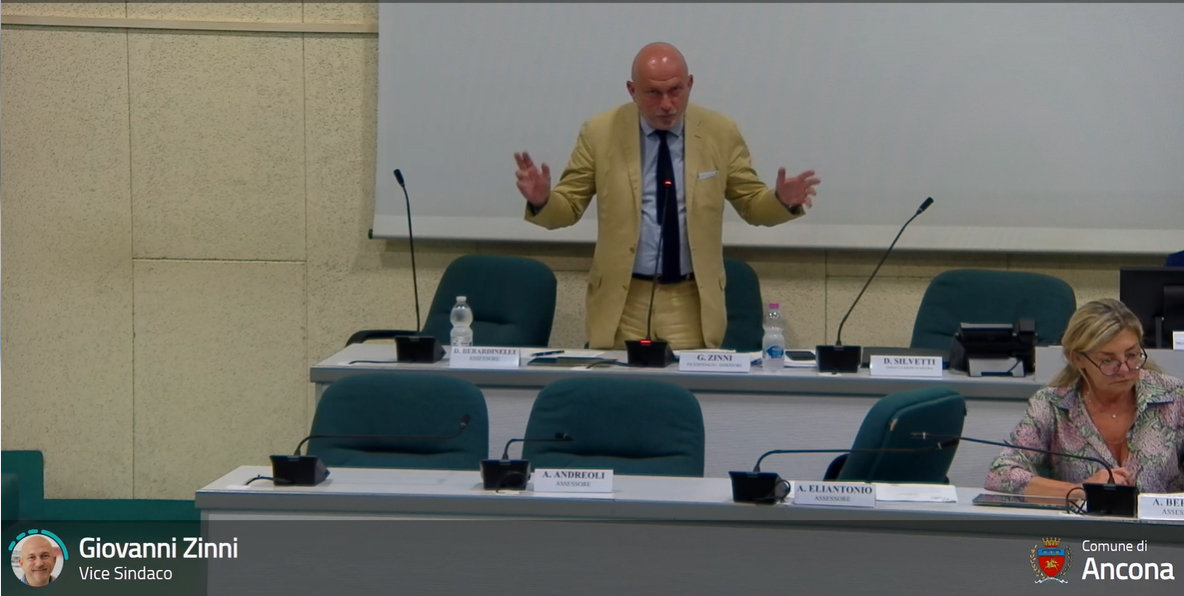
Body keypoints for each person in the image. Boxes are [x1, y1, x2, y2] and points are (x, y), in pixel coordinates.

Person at [514, 42, 819, 350]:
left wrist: (782, 201)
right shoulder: (600, 132)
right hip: (623, 300)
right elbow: (568, 207)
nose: (667, 104)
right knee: (618, 380)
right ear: (632, 90)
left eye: (676, 90)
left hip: (690, 301)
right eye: (653, 93)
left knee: (688, 378)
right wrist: (542, 200)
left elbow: (752, 204)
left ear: (690, 84)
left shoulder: (719, 131)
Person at [984, 298, 1184, 496]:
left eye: (1132, 355)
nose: (1124, 370)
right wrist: (1078, 490)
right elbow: (1000, 474)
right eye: (1108, 360)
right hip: (1083, 517)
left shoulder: (1174, 396)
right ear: (1078, 358)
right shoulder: (1051, 405)